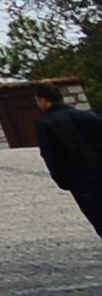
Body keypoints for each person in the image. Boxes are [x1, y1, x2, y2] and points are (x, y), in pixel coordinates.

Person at [40, 97, 102, 242]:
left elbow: (51, 156)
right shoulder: (89, 116)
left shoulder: (45, 123)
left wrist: (63, 181)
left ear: (43, 100)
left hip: (82, 183)